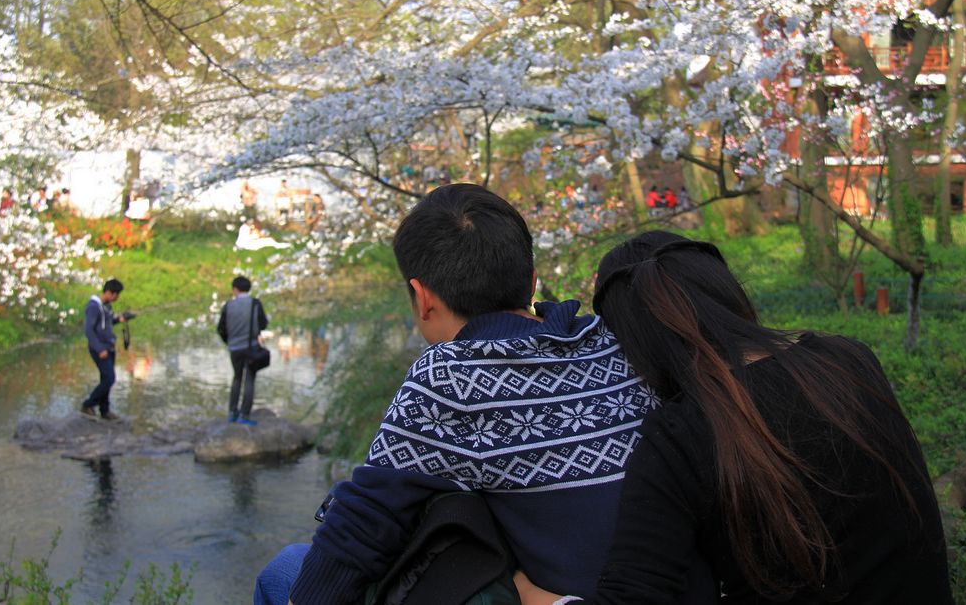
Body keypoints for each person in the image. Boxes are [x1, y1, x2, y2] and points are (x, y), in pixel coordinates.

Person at [253, 185, 712, 605]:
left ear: (422, 297)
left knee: (284, 571)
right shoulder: (611, 338)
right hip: (683, 585)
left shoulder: (447, 376)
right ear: (532, 281)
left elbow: (363, 520)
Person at [514, 231, 952, 604]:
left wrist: (522, 589)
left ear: (634, 345)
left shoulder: (682, 436)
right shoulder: (847, 359)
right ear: (725, 291)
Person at [217, 276, 269, 425]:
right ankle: (244, 415)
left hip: (234, 348)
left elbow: (221, 329)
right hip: (251, 347)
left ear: (235, 289)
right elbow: (263, 324)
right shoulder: (255, 304)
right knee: (250, 379)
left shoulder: (228, 306)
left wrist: (229, 341)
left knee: (236, 378)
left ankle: (232, 412)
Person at [81, 279, 128, 420]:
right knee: (109, 379)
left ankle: (104, 410)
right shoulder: (94, 307)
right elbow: (89, 330)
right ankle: (88, 404)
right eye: (116, 295)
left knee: (105, 378)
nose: (117, 298)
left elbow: (106, 322)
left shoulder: (106, 306)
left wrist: (119, 320)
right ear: (109, 292)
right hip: (100, 349)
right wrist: (99, 348)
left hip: (109, 347)